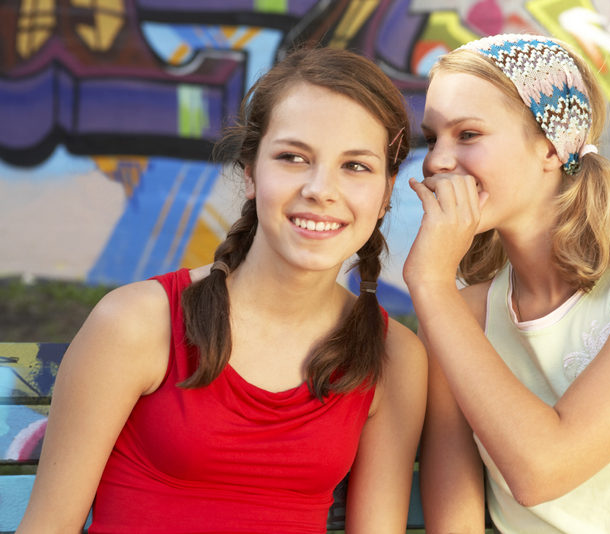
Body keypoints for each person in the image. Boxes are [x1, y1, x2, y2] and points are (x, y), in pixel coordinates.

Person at [18, 47, 426, 534]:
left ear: (386, 193)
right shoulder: (136, 324)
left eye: (355, 166)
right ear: (251, 172)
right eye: (293, 157)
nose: (322, 188)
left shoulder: (392, 357)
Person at [404, 34, 610, 533]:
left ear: (551, 147)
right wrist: (437, 295)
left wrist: (429, 283)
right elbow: (456, 519)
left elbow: (542, 471)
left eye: (467, 134)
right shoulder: (457, 316)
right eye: (432, 138)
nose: (437, 162)